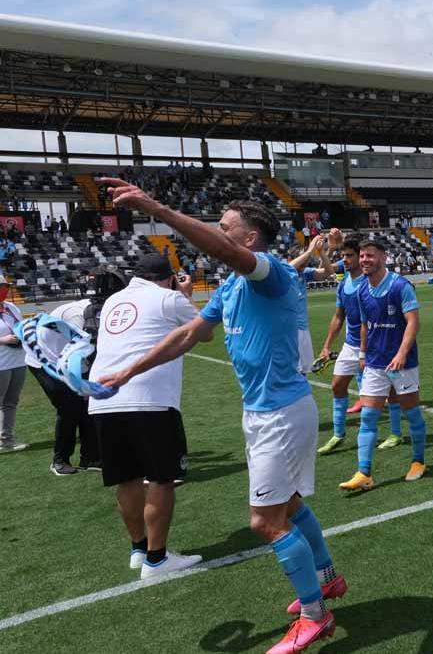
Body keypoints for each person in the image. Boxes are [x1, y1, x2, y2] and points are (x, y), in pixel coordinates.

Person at [96, 179, 342, 653]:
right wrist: (128, 370)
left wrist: (155, 208)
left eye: (225, 228)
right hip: (263, 412)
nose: (216, 233)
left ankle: (315, 616)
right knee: (288, 506)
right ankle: (327, 579)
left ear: (249, 238)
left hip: (281, 413)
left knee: (264, 522)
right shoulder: (230, 287)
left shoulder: (268, 271)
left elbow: (227, 255)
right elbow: (190, 334)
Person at [88, 254, 200, 577]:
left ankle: (139, 549)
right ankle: (157, 558)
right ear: (168, 278)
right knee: (162, 478)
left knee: (126, 478)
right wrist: (183, 295)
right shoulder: (169, 298)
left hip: (104, 399)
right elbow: (202, 329)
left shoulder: (112, 301)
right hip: (150, 399)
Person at [337, 240, 427, 490]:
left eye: (370, 256)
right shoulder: (361, 290)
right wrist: (363, 354)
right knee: (368, 416)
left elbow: (413, 323)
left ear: (383, 257)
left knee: (412, 413)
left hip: (403, 363)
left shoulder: (400, 286)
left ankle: (418, 461)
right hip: (375, 362)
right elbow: (364, 325)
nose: (364, 259)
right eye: (362, 256)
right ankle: (363, 473)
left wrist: (400, 354)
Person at [27, 293, 101, 475]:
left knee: (88, 407)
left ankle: (90, 457)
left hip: (70, 357)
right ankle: (60, 460)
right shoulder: (76, 315)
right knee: (69, 407)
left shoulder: (100, 309)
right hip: (45, 361)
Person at [315, 236, 369, 455]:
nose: (345, 260)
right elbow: (338, 317)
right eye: (343, 256)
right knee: (338, 385)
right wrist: (326, 346)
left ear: (360, 257)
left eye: (349, 256)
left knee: (380, 395)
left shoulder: (369, 281)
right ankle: (338, 434)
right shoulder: (343, 284)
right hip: (351, 344)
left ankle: (391, 433)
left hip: (373, 345)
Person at [288, 233, 338, 375]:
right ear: (290, 258)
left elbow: (328, 272)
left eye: (307, 260)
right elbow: (287, 268)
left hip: (303, 329)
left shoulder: (304, 273)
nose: (305, 263)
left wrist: (321, 252)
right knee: (291, 372)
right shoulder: (283, 270)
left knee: (303, 372)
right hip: (287, 330)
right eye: (302, 259)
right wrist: (310, 251)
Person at [0, 275, 26, 453]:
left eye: (5, 286)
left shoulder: (11, 307)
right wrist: (3, 339)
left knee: (11, 402)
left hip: (18, 360)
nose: (4, 289)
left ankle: (6, 438)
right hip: (1, 363)